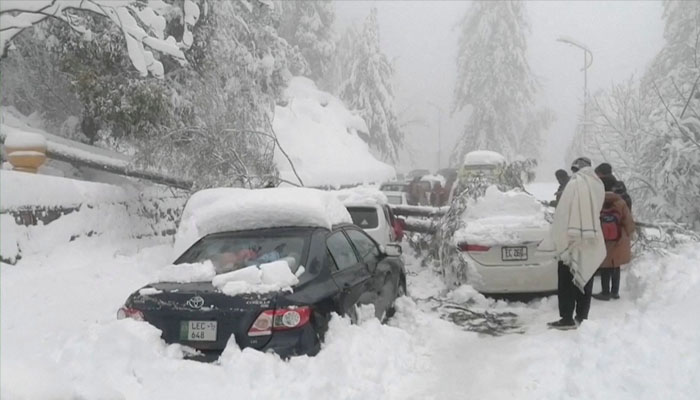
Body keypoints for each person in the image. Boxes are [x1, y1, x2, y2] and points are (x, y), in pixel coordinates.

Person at [538, 157, 607, 330]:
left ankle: (567, 317)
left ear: (577, 169)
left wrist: (560, 235)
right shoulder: (598, 184)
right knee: (586, 276)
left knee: (567, 280)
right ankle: (583, 316)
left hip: (571, 239)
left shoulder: (575, 184)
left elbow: (563, 213)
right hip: (592, 237)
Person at [593, 175, 635, 301]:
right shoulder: (620, 202)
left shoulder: (598, 201)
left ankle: (605, 292)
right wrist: (629, 233)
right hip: (618, 238)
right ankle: (614, 292)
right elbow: (629, 222)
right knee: (615, 265)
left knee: (605, 265)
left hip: (603, 238)